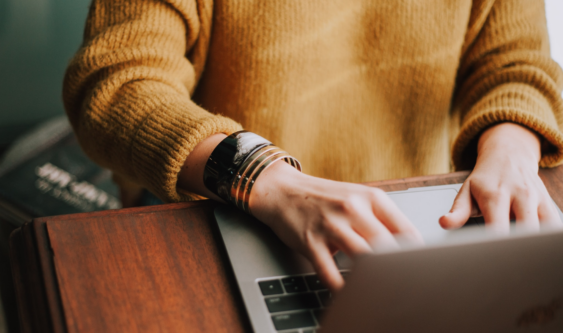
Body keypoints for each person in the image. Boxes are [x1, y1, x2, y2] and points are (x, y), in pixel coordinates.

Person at [63, 0, 563, 292]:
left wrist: (512, 148)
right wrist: (267, 178)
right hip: (222, 209)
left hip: (413, 223)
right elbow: (117, 85)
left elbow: (517, 61)